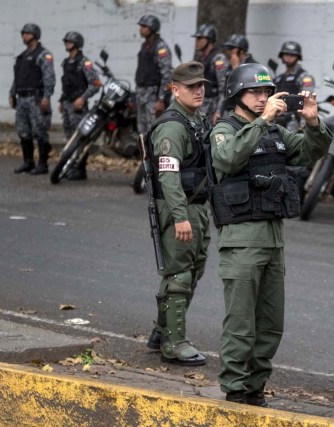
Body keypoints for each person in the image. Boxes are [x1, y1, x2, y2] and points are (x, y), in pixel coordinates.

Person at [209, 63, 332, 406]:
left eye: (266, 93)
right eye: (255, 92)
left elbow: (311, 151)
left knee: (270, 322)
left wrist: (312, 122)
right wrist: (262, 122)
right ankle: (235, 388)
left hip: (273, 237)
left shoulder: (275, 133)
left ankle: (255, 386)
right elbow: (228, 158)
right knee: (241, 321)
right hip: (242, 238)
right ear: (237, 95)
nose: (263, 99)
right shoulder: (224, 129)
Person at [144, 62, 212, 366]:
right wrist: (180, 216)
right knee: (180, 274)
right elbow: (168, 178)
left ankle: (162, 330)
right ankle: (174, 342)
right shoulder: (172, 127)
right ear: (176, 90)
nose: (198, 91)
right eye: (191, 87)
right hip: (180, 209)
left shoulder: (196, 119)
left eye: (201, 86)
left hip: (197, 206)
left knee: (190, 270)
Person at [9, 23, 56, 175]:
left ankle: (43, 164)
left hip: (36, 98)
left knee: (40, 131)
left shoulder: (43, 55)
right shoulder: (22, 57)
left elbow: (49, 78)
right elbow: (17, 78)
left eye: (27, 34)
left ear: (35, 35)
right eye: (23, 33)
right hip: (22, 99)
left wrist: (46, 97)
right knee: (23, 131)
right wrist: (12, 93)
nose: (24, 36)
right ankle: (28, 162)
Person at [59, 31, 101, 180]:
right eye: (66, 41)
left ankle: (80, 169)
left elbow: (96, 84)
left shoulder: (84, 62)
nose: (67, 44)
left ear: (77, 44)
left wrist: (82, 99)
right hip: (68, 104)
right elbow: (66, 84)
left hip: (78, 107)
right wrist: (61, 101)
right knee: (70, 138)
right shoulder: (66, 62)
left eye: (70, 42)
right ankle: (70, 167)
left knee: (81, 139)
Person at [135, 15, 172, 136]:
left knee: (155, 131)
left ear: (152, 28)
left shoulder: (161, 47)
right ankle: (145, 154)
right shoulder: (144, 46)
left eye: (144, 26)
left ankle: (156, 155)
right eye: (141, 26)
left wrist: (161, 99)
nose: (141, 29)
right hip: (142, 94)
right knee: (142, 131)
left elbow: (166, 75)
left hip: (153, 96)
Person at [273, 41, 315, 131]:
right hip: (277, 120)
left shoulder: (304, 76)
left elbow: (307, 100)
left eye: (292, 55)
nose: (289, 57)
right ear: (281, 56)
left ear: (298, 57)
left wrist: (303, 124)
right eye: (286, 54)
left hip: (293, 122)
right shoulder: (279, 78)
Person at [191, 23, 228, 124]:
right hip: (201, 104)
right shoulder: (200, 58)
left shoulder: (218, 58)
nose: (196, 42)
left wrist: (218, 111)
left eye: (200, 38)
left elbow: (223, 88)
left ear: (209, 40)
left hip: (213, 105)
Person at [216, 34, 256, 116]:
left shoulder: (253, 67)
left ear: (241, 51)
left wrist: (236, 68)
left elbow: (245, 90)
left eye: (231, 49)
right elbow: (226, 91)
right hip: (229, 109)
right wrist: (220, 111)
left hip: (246, 111)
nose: (228, 52)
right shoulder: (230, 65)